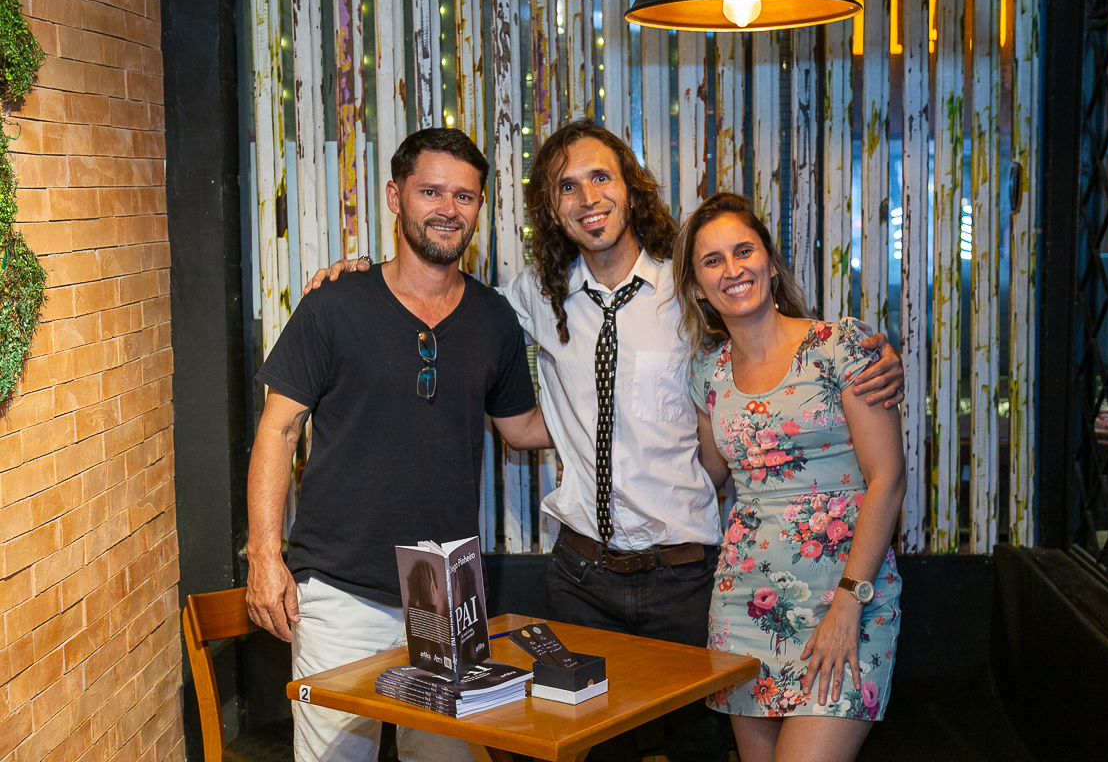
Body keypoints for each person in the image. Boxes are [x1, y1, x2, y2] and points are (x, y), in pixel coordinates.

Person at [305, 120, 904, 761]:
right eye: (568, 186)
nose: (588, 197)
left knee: (701, 753)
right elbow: (441, 295)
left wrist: (868, 356)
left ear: (628, 187)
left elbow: (763, 374)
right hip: (581, 581)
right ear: (552, 208)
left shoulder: (691, 289)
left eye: (600, 177)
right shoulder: (533, 298)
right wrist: (361, 272)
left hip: (690, 581)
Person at [246, 128, 553, 762]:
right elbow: (277, 429)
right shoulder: (334, 303)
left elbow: (525, 429)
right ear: (395, 196)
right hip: (338, 593)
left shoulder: (495, 318)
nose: (449, 208)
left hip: (447, 593)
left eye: (465, 196)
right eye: (431, 191)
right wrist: (264, 556)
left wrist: (628, 407)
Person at [677, 193, 905, 762]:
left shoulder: (844, 348)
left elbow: (889, 479)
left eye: (743, 250)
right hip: (745, 606)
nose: (732, 270)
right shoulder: (708, 373)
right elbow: (709, 475)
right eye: (712, 261)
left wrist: (849, 604)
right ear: (698, 288)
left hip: (849, 596)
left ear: (771, 262)